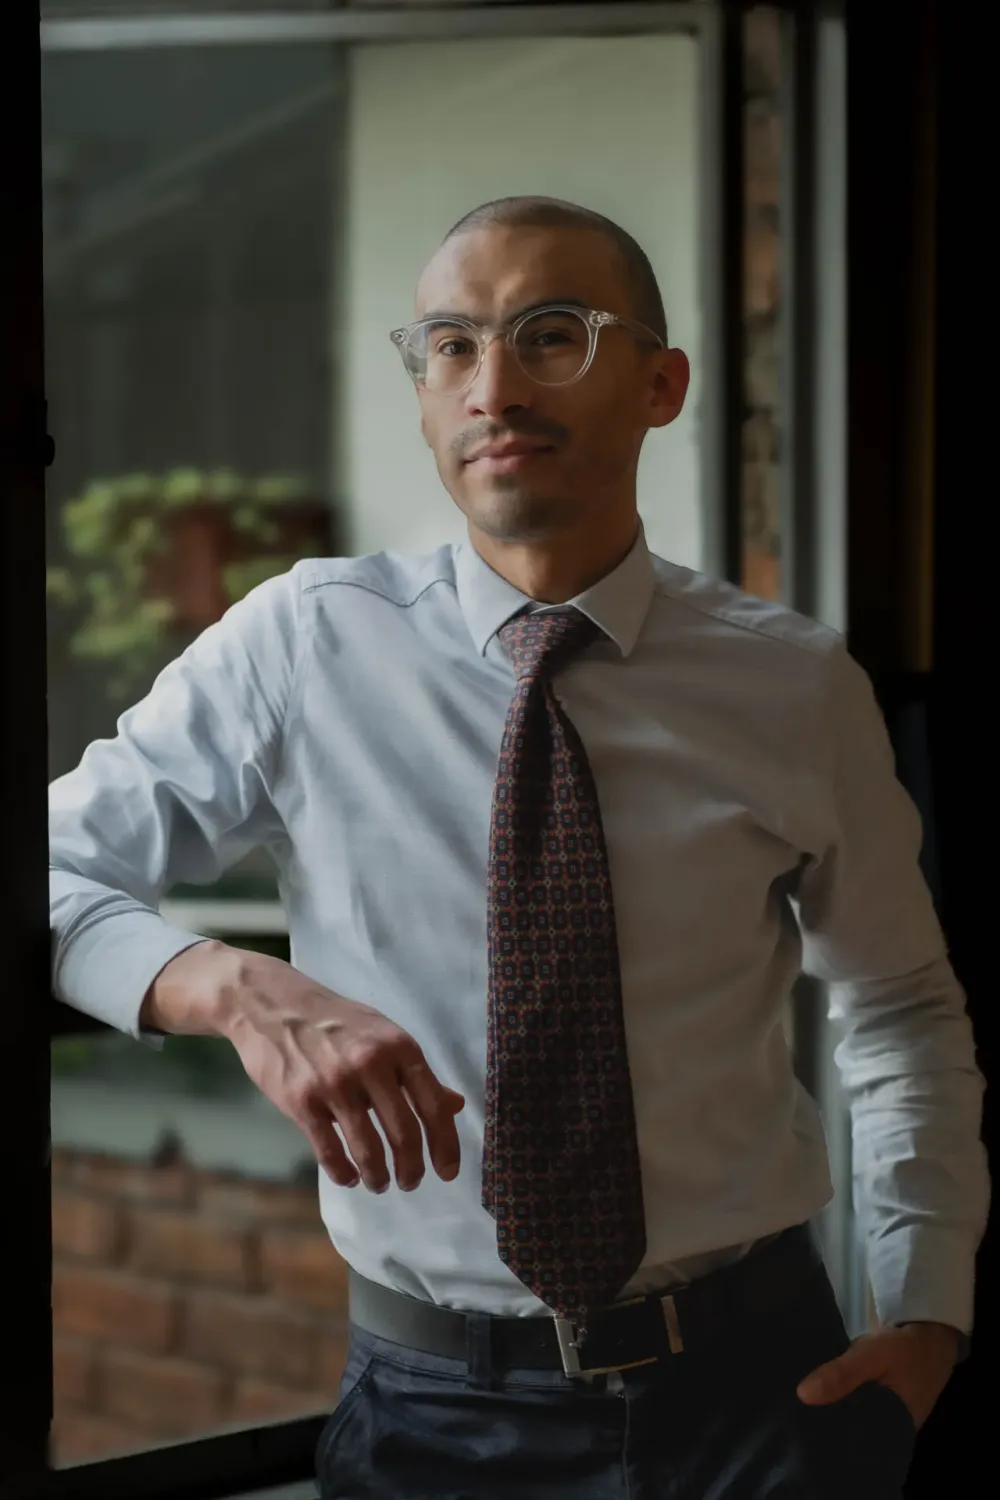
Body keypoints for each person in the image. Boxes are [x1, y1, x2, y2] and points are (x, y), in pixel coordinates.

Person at [49, 197, 988, 1500]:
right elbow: (44, 874)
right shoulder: (302, 645)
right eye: (449, 345)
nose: (492, 385)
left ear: (662, 385)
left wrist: (929, 1309)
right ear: (424, 394)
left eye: (554, 334)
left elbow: (897, 1007)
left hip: (764, 1396)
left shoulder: (792, 684)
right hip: (434, 1414)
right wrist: (228, 984)